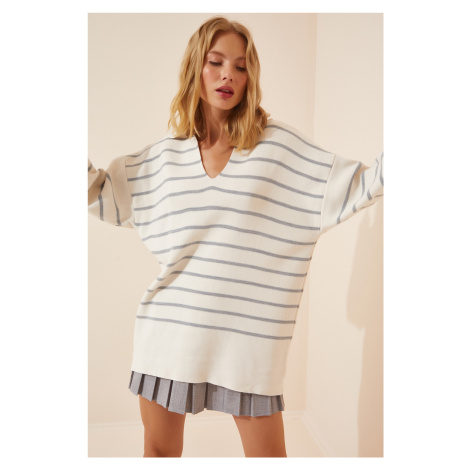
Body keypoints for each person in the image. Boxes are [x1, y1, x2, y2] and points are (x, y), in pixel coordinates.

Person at [88, 16, 384, 458]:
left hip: (248, 346)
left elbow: (359, 184)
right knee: (159, 454)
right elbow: (101, 194)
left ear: (250, 78)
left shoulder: (277, 147)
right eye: (216, 62)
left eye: (240, 66)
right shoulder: (163, 158)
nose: (228, 74)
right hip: (169, 335)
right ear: (196, 68)